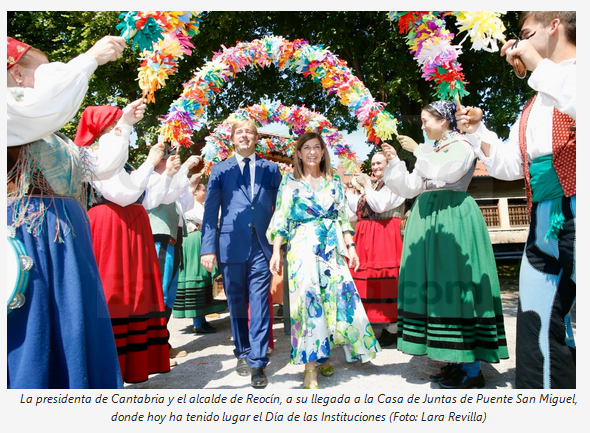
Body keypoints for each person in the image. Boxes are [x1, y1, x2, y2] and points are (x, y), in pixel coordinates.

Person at [456, 11, 576, 389]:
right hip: (543, 220)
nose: (516, 43)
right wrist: (478, 133)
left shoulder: (573, 76)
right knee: (537, 321)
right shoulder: (534, 103)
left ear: (554, 24)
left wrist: (537, 65)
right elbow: (511, 165)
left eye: (524, 33)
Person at [7, 35, 127, 388]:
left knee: (76, 320)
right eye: (43, 72)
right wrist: (89, 57)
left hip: (66, 233)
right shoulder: (12, 112)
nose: (53, 80)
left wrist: (126, 126)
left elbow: (101, 166)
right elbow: (44, 103)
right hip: (33, 231)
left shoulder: (49, 132)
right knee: (37, 322)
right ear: (15, 75)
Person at [382, 101, 509, 389]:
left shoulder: (463, 144)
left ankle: (472, 368)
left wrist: (418, 150)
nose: (423, 125)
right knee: (435, 288)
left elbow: (449, 173)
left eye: (427, 120)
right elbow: (412, 186)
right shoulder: (433, 149)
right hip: (428, 219)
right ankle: (452, 358)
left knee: (456, 284)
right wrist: (394, 161)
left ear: (444, 121)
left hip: (452, 218)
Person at [267, 132, 381, 389]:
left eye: (316, 147)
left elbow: (342, 219)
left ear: (322, 152)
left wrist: (351, 247)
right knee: (308, 303)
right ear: (298, 153)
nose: (311, 152)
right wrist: (277, 251)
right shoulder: (290, 181)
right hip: (302, 246)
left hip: (331, 247)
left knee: (333, 301)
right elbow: (281, 218)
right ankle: (310, 369)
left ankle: (323, 354)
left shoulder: (334, 181)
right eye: (306, 148)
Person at [73, 104, 172, 383]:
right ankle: (110, 364)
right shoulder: (93, 154)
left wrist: (164, 172)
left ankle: (136, 362)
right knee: (114, 292)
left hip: (130, 225)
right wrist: (150, 163)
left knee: (136, 293)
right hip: (111, 225)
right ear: (105, 127)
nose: (124, 127)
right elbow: (122, 194)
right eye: (117, 122)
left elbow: (147, 198)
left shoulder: (116, 155)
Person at [201, 118, 282, 389]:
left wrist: (281, 247)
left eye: (249, 131)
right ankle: (242, 352)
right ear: (232, 139)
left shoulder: (271, 169)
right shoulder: (220, 170)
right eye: (239, 132)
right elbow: (211, 212)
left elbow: (280, 209)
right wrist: (208, 248)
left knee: (259, 302)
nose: (244, 136)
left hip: (262, 246)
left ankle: (258, 362)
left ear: (256, 138)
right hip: (229, 246)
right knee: (236, 304)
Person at [144, 151, 202, 365]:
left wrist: (190, 186)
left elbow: (183, 206)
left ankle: (161, 344)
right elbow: (158, 199)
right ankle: (154, 348)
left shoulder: (168, 179)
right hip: (159, 237)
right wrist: (184, 170)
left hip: (173, 237)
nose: (174, 160)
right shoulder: (151, 178)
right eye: (169, 157)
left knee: (168, 294)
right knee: (159, 293)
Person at [347, 152, 405, 347]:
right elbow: (353, 215)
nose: (375, 167)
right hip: (367, 235)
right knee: (366, 281)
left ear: (389, 164)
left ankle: (394, 328)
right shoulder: (375, 186)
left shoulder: (395, 183)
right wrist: (351, 192)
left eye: (379, 163)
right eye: (373, 163)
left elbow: (380, 206)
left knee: (386, 280)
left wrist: (366, 186)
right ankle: (374, 324)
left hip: (385, 234)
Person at [173, 178, 228, 333]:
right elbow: (207, 219)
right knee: (197, 277)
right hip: (194, 242)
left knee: (206, 278)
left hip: (201, 241)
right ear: (195, 191)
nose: (206, 192)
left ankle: (202, 319)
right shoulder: (191, 205)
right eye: (203, 189)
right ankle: (198, 321)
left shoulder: (201, 205)